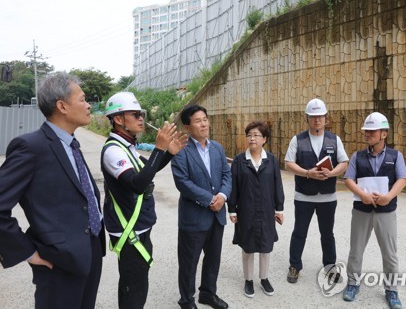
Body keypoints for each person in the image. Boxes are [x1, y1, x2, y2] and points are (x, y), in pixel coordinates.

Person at [0, 72, 105, 308]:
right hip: (58, 260)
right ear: (62, 106)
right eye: (83, 99)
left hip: (90, 250)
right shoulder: (31, 147)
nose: (88, 105)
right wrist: (26, 252)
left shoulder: (72, 144)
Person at [101, 92, 187, 309]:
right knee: (134, 287)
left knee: (137, 282)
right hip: (128, 231)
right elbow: (138, 184)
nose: (141, 118)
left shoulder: (127, 146)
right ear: (119, 120)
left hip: (138, 227)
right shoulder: (113, 151)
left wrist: (169, 153)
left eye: (141, 114)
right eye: (135, 114)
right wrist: (159, 148)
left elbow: (147, 171)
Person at [342, 112, 406, 309]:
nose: (368, 134)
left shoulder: (395, 156)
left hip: (386, 211)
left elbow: (402, 179)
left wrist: (389, 196)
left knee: (389, 253)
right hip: (361, 211)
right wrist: (361, 194)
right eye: (366, 131)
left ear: (383, 134)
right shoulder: (357, 156)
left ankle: (392, 290)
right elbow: (348, 179)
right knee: (356, 250)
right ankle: (353, 284)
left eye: (372, 131)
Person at [171, 105, 232, 309]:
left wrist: (222, 196)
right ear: (187, 127)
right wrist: (209, 199)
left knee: (213, 259)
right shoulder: (180, 150)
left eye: (205, 118)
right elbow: (183, 182)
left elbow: (226, 174)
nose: (204, 123)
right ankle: (186, 300)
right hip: (194, 216)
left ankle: (207, 293)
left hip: (217, 215)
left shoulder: (218, 148)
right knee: (189, 262)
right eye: (198, 120)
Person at [284, 98, 349, 283]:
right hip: (303, 195)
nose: (317, 120)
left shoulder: (334, 140)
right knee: (299, 232)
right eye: (313, 117)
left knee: (327, 234)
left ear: (326, 118)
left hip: (328, 196)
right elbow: (288, 163)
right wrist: (307, 173)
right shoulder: (298, 140)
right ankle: (294, 266)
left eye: (320, 116)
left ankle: (330, 266)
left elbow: (344, 163)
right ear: (307, 118)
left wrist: (331, 174)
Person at [228, 121, 285, 298]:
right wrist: (232, 210)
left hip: (267, 210)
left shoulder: (272, 160)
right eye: (249, 135)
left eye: (256, 135)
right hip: (246, 210)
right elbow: (234, 187)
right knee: (248, 246)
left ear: (264, 139)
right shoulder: (239, 160)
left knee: (266, 246)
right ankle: (248, 280)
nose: (252, 138)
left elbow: (278, 185)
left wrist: (279, 208)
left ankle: (264, 278)